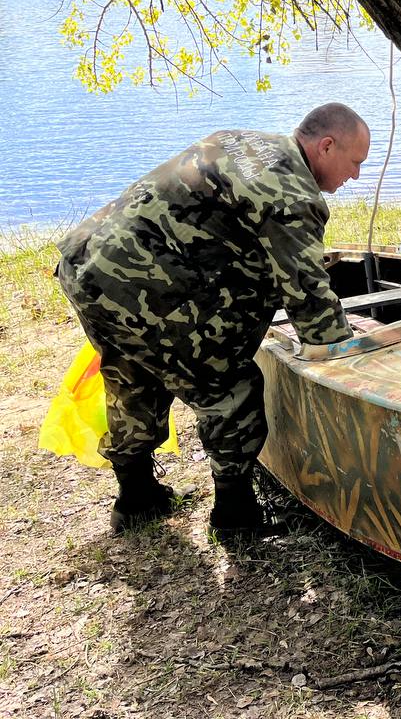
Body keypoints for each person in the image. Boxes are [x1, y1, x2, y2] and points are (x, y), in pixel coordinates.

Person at [56, 103, 371, 541]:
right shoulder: (293, 193)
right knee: (231, 389)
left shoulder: (242, 140)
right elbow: (310, 300)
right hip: (142, 283)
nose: (355, 176)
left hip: (86, 266)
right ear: (327, 146)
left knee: (135, 375)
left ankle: (137, 499)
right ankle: (235, 516)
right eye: (355, 162)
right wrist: (354, 362)